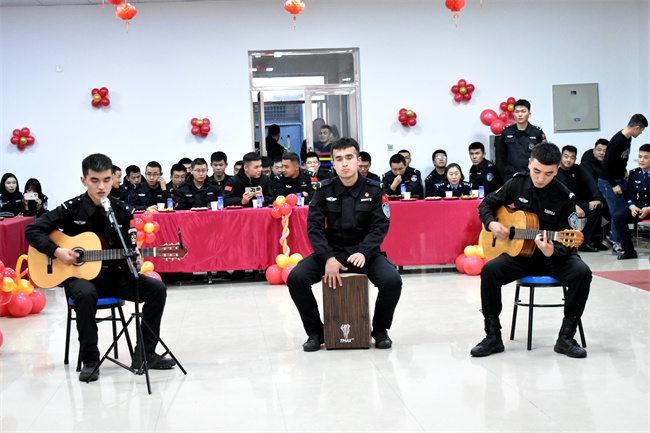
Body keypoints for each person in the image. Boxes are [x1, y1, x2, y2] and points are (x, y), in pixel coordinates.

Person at [24, 153, 176, 382]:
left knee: (157, 289)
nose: (101, 186)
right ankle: (90, 360)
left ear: (113, 179)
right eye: (94, 180)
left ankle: (145, 354)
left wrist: (133, 259)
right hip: (80, 279)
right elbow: (32, 230)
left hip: (113, 276)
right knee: (86, 294)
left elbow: (129, 247)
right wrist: (57, 251)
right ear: (84, 180)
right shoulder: (71, 209)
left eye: (106, 180)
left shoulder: (122, 211)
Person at [471, 142, 591, 359]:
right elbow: (486, 204)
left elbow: (569, 241)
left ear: (557, 170)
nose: (540, 178)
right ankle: (493, 336)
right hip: (522, 255)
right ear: (529, 164)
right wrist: (492, 223)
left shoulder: (565, 197)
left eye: (548, 173)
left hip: (553, 256)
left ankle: (566, 337)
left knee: (582, 273)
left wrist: (552, 251)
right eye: (536, 171)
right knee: (489, 271)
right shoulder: (517, 183)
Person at [286, 137, 402, 351]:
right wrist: (328, 258)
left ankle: (380, 330)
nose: (345, 163)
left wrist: (365, 252)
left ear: (359, 160)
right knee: (296, 278)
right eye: (339, 159)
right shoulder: (323, 190)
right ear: (333, 163)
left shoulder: (375, 190)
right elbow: (314, 227)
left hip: (364, 253)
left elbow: (380, 226)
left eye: (349, 157)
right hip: (333, 251)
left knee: (392, 280)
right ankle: (316, 333)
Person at [598, 114, 647, 254]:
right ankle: (617, 244)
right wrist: (613, 185)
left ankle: (617, 238)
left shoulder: (627, 139)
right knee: (617, 213)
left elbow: (620, 161)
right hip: (608, 182)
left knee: (621, 210)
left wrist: (624, 172)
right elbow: (606, 165)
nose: (641, 133)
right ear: (636, 127)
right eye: (641, 130)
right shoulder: (617, 141)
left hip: (618, 179)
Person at [555, 145, 603, 252]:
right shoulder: (555, 171)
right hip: (561, 205)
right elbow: (557, 195)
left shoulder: (577, 169)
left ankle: (583, 241)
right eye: (566, 156)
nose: (568, 160)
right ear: (561, 157)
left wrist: (596, 198)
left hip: (577, 202)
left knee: (596, 208)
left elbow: (591, 182)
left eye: (572, 157)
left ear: (575, 159)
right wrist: (573, 206)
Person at [611, 144, 650, 260]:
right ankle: (629, 250)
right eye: (640, 156)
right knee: (618, 216)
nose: (641, 160)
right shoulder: (634, 173)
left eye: (646, 157)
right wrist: (632, 206)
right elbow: (630, 196)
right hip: (640, 208)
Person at [495, 99, 547, 180]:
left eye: (523, 111)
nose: (520, 114)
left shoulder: (537, 132)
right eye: (517, 112)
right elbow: (502, 155)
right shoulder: (507, 132)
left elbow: (543, 155)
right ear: (514, 114)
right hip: (511, 175)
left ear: (529, 114)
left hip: (532, 175)